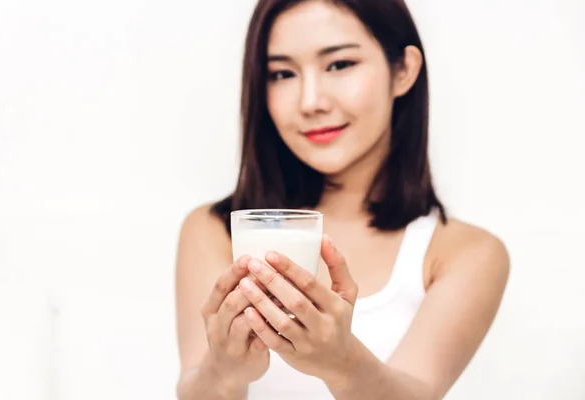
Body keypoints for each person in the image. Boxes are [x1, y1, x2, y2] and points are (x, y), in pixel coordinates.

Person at [175, 0, 510, 399]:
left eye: (339, 65)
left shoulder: (464, 252)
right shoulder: (215, 229)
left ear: (403, 70)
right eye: (282, 73)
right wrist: (224, 371)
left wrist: (343, 362)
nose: (310, 101)